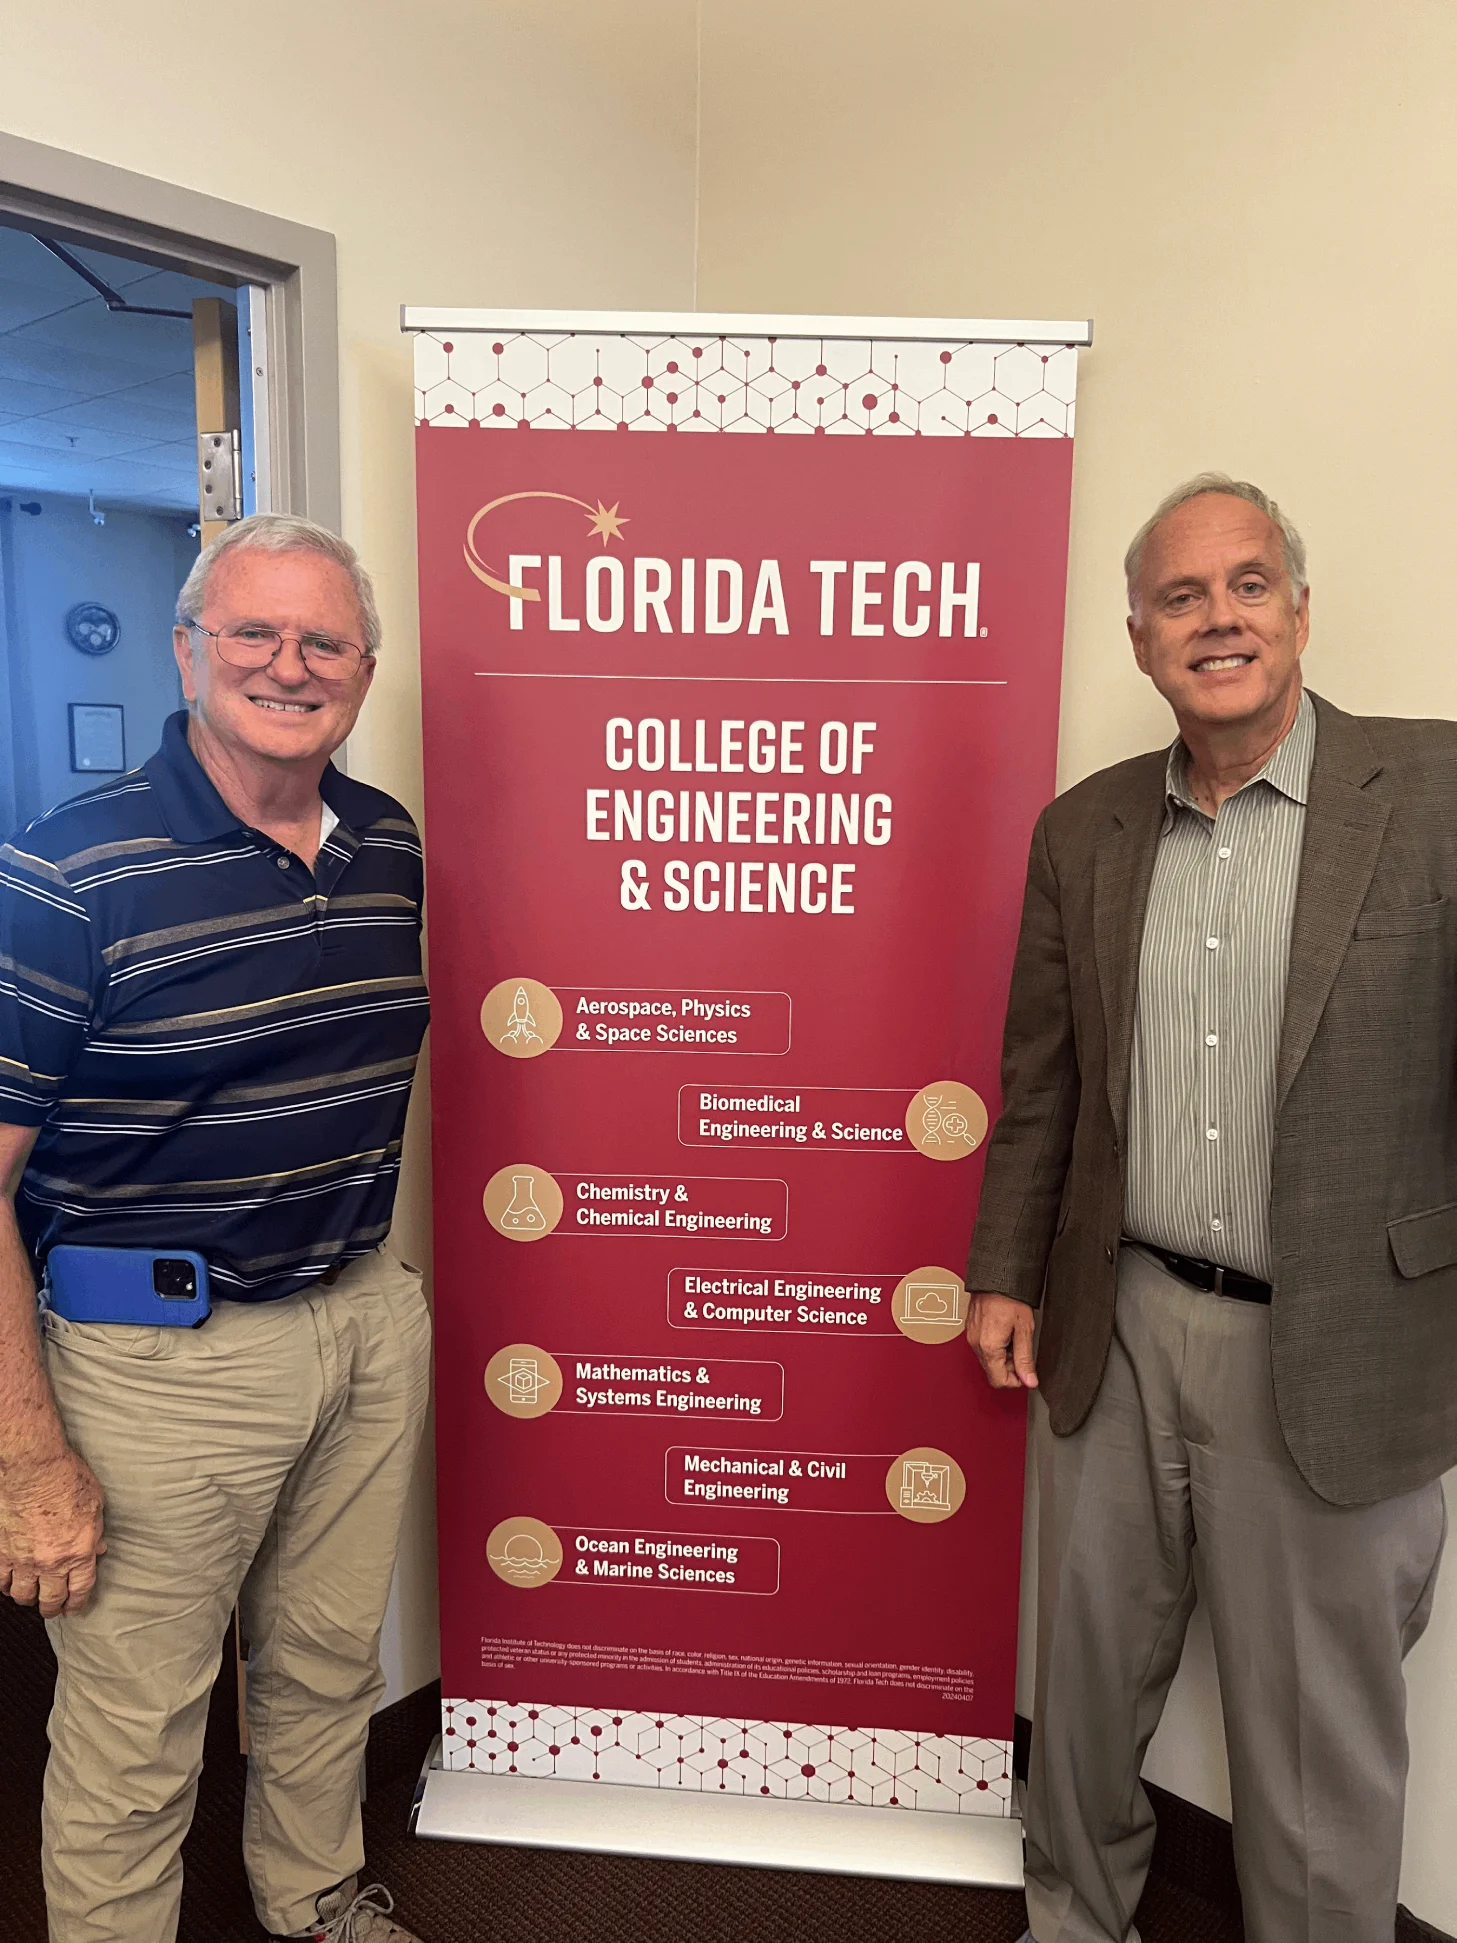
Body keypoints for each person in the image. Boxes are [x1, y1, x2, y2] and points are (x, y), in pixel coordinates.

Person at [967, 474, 1454, 1943]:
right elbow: (1042, 1083)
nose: (1217, 618)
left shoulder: (1432, 793)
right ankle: (1074, 1914)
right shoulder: (1087, 829)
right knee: (1094, 1667)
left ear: (1300, 611)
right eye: (1181, 597)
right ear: (1137, 637)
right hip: (1111, 1323)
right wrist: (1005, 1272)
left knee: (1315, 1737)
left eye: (1248, 585)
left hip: (1338, 1341)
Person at [0, 514, 433, 1943]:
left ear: (365, 669)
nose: (288, 665)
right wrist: (29, 1457)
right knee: (135, 1730)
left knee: (323, 1665)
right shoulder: (68, 872)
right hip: (156, 1361)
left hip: (361, 1320)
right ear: (189, 648)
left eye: (325, 641)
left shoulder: (385, 842)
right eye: (253, 632)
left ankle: (310, 1900)